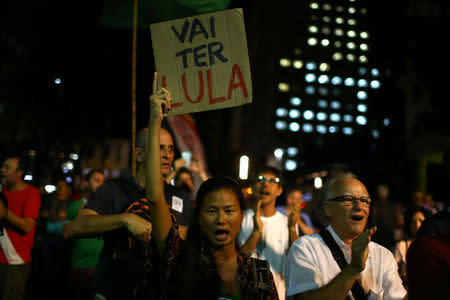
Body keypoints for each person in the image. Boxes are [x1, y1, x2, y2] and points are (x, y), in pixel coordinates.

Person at [141, 74, 279, 299]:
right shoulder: (178, 256)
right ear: (199, 215)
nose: (221, 219)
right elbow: (156, 197)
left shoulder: (259, 273)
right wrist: (155, 120)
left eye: (229, 211)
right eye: (212, 211)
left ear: (242, 215)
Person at [68, 103, 193, 300]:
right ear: (139, 154)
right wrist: (124, 220)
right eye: (159, 148)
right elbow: (77, 227)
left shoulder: (181, 198)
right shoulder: (113, 189)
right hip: (112, 291)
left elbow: (188, 246)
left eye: (170, 149)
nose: (167, 155)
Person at [285, 172, 406, 300]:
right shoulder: (305, 248)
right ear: (328, 208)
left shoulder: (383, 255)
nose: (359, 206)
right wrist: (353, 269)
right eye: (348, 199)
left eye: (365, 201)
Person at [238, 166, 299, 300]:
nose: (265, 184)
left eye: (272, 180)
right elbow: (239, 261)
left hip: (279, 294)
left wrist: (292, 229)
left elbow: (294, 263)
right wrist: (256, 232)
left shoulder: (287, 222)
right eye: (260, 179)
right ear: (253, 188)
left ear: (279, 190)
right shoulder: (241, 219)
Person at [0, 155, 41, 300]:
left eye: (7, 168)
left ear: (19, 173)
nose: (2, 170)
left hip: (14, 262)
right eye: (3, 166)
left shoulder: (31, 194)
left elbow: (27, 226)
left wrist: (5, 213)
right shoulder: (2, 191)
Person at [63, 169, 105, 300]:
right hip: (79, 264)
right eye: (96, 180)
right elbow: (65, 233)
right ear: (86, 183)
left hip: (100, 265)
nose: (100, 185)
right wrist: (81, 213)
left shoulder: (106, 207)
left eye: (102, 182)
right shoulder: (75, 206)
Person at [393, 205, 430, 286]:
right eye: (413, 221)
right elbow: (392, 276)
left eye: (420, 221)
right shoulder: (402, 246)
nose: (417, 225)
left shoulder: (431, 247)